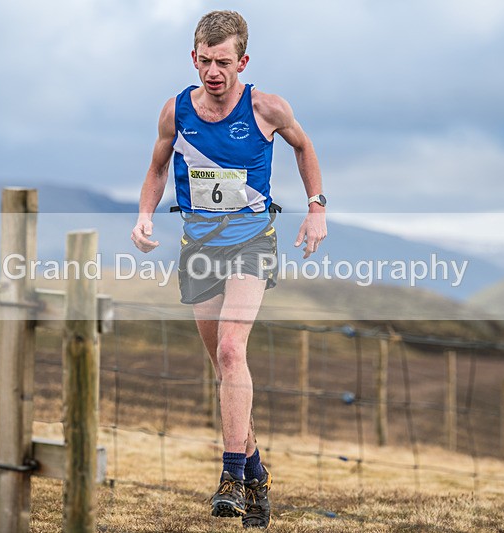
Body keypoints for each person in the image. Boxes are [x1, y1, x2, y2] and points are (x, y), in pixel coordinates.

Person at [131, 10, 326, 529]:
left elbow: (304, 147)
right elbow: (156, 167)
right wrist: (145, 215)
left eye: (223, 62)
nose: (213, 71)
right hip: (199, 248)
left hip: (251, 245)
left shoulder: (266, 108)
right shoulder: (176, 112)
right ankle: (256, 473)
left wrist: (317, 207)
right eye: (205, 61)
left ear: (243, 61)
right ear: (193, 58)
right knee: (224, 370)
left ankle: (231, 478)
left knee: (231, 349)